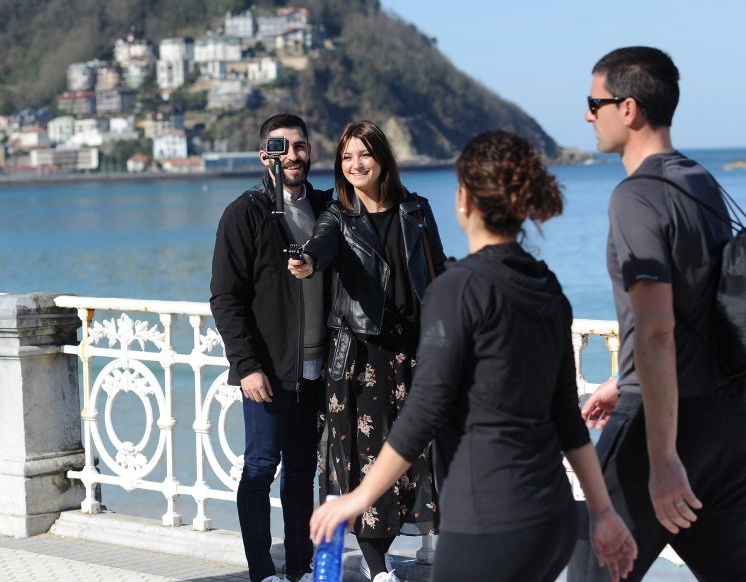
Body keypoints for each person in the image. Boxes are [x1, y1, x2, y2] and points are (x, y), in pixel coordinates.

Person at [307, 130, 637, 582]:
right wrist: (602, 511)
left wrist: (357, 498)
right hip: (554, 517)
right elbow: (567, 417)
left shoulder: (457, 288)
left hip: (486, 521)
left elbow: (424, 412)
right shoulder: (546, 285)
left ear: (464, 200)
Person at [567, 46, 746, 581]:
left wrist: (662, 458)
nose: (587, 115)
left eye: (595, 103)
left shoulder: (635, 196)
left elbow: (658, 329)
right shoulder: (700, 181)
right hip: (727, 420)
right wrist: (622, 378)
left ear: (628, 108)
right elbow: (699, 307)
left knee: (593, 572)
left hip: (662, 431)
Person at [289, 120, 444, 582]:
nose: (355, 165)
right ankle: (377, 569)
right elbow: (321, 246)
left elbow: (437, 273)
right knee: (364, 460)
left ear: (382, 159)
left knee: (415, 457)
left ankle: (382, 554)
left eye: (364, 154)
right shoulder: (338, 216)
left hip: (412, 353)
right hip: (360, 358)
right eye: (347, 157)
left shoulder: (416, 210)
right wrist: (307, 260)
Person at [210, 113, 332, 582]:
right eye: (282, 148)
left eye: (300, 146)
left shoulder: (326, 208)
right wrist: (246, 365)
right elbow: (226, 298)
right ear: (265, 156)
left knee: (302, 473)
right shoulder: (245, 212)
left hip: (318, 368)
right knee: (260, 469)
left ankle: (300, 567)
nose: (293, 155)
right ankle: (263, 572)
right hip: (268, 370)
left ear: (309, 151)